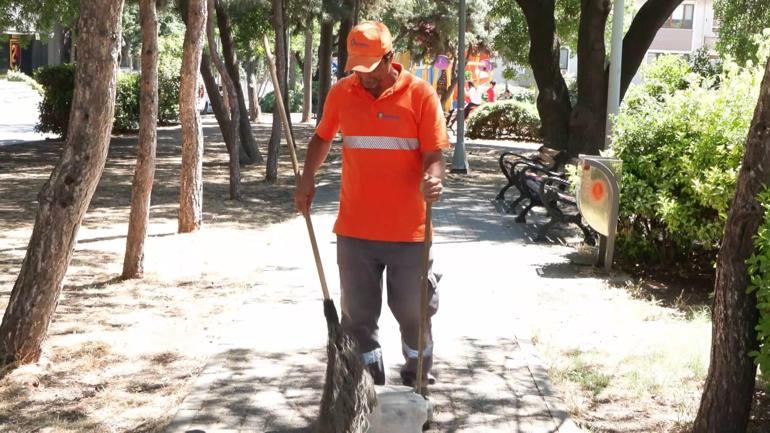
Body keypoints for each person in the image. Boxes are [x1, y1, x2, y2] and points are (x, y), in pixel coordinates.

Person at [294, 21, 447, 387]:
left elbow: (434, 153)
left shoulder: (421, 95)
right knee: (358, 319)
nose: (363, 76)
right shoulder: (341, 93)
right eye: (356, 68)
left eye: (370, 67)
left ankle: (417, 383)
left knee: (414, 313)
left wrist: (435, 178)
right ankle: (367, 390)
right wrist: (307, 177)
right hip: (355, 231)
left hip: (409, 233)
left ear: (389, 58)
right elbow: (321, 137)